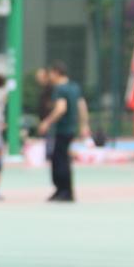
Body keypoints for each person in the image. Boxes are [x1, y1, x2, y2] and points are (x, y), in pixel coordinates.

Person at [38, 61, 88, 202]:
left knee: (60, 160)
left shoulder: (60, 89)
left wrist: (47, 122)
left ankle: (64, 191)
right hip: (71, 128)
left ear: (56, 73)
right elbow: (82, 106)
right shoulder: (75, 87)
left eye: (51, 73)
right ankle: (62, 190)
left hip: (62, 129)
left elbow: (61, 108)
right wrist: (84, 125)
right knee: (62, 159)